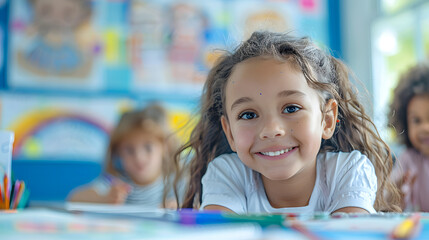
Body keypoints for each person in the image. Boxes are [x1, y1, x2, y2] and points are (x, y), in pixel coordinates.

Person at [175, 31, 401, 214]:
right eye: (248, 115)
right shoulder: (227, 174)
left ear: (327, 119)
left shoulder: (348, 171)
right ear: (230, 133)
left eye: (291, 108)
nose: (272, 130)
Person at [68, 103, 182, 208]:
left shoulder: (176, 183)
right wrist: (103, 198)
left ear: (166, 147)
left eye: (148, 148)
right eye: (129, 150)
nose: (139, 158)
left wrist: (179, 207)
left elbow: (194, 206)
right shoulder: (115, 182)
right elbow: (74, 199)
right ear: (117, 152)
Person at [388, 62, 429, 212]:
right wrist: (395, 191)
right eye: (416, 120)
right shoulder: (407, 159)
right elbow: (387, 192)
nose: (425, 127)